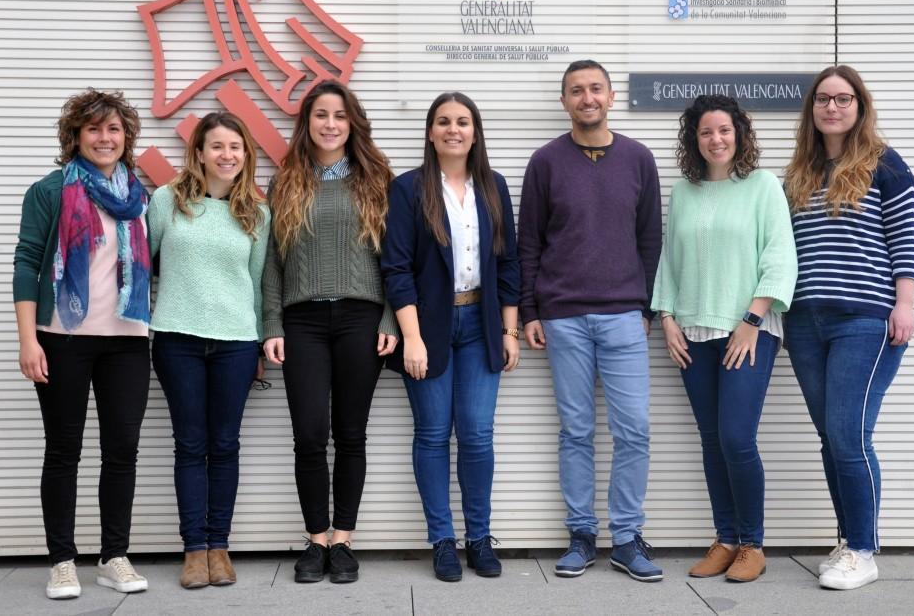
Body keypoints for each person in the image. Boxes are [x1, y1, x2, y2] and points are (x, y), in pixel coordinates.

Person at [517, 60, 663, 582]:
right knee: (576, 431)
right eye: (576, 91)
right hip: (564, 317)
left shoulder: (639, 159)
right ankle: (581, 535)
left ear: (611, 96)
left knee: (634, 431)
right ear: (564, 101)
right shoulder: (545, 162)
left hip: (624, 314)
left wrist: (645, 308)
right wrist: (530, 311)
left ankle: (626, 538)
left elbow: (650, 239)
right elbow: (529, 242)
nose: (587, 98)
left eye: (596, 88)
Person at [652, 95, 797, 583]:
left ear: (740, 134)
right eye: (706, 132)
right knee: (713, 440)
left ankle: (753, 544)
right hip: (693, 332)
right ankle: (726, 538)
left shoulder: (763, 186)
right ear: (694, 140)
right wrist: (667, 317)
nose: (716, 139)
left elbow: (780, 257)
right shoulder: (684, 192)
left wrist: (752, 320)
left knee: (737, 437)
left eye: (724, 130)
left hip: (748, 332)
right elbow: (670, 260)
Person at [783, 65, 914, 591]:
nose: (832, 107)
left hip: (864, 319)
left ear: (860, 106)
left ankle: (863, 549)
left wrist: (904, 305)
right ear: (812, 109)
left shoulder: (885, 165)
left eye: (843, 99)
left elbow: (904, 241)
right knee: (830, 436)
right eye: (823, 99)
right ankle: (848, 540)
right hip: (805, 321)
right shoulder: (800, 172)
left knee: (848, 434)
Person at [13, 89, 151, 599]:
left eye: (114, 129)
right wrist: (28, 339)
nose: (104, 137)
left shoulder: (141, 197)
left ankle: (114, 556)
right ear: (75, 136)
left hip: (128, 340)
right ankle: (62, 561)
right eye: (93, 128)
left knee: (122, 452)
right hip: (62, 338)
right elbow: (27, 262)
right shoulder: (49, 191)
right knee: (63, 451)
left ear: (126, 137)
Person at [262, 80, 398, 585]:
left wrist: (390, 318)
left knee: (351, 432)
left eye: (340, 115)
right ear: (307, 122)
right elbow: (272, 263)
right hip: (302, 323)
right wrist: (272, 324)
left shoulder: (377, 180)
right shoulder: (285, 182)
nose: (330, 124)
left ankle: (343, 541)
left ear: (352, 123)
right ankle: (315, 539)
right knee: (309, 434)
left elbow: (397, 259)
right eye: (321, 114)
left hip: (362, 320)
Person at [381, 92, 520, 582]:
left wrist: (509, 330)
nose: (453, 130)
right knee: (434, 434)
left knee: (477, 434)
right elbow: (396, 268)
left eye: (462, 122)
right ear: (430, 132)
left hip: (481, 325)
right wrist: (412, 338)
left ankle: (479, 539)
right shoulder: (408, 189)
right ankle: (442, 540)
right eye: (443, 121)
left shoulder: (494, 187)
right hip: (429, 326)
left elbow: (508, 262)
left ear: (475, 132)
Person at [148, 112, 270, 589]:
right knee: (190, 444)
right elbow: (142, 267)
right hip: (176, 338)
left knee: (224, 445)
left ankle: (219, 546)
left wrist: (258, 344)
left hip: (235, 343)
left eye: (235, 147)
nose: (227, 155)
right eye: (217, 146)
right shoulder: (167, 200)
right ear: (198, 152)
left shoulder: (256, 213)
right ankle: (194, 550)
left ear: (246, 155)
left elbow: (257, 285)